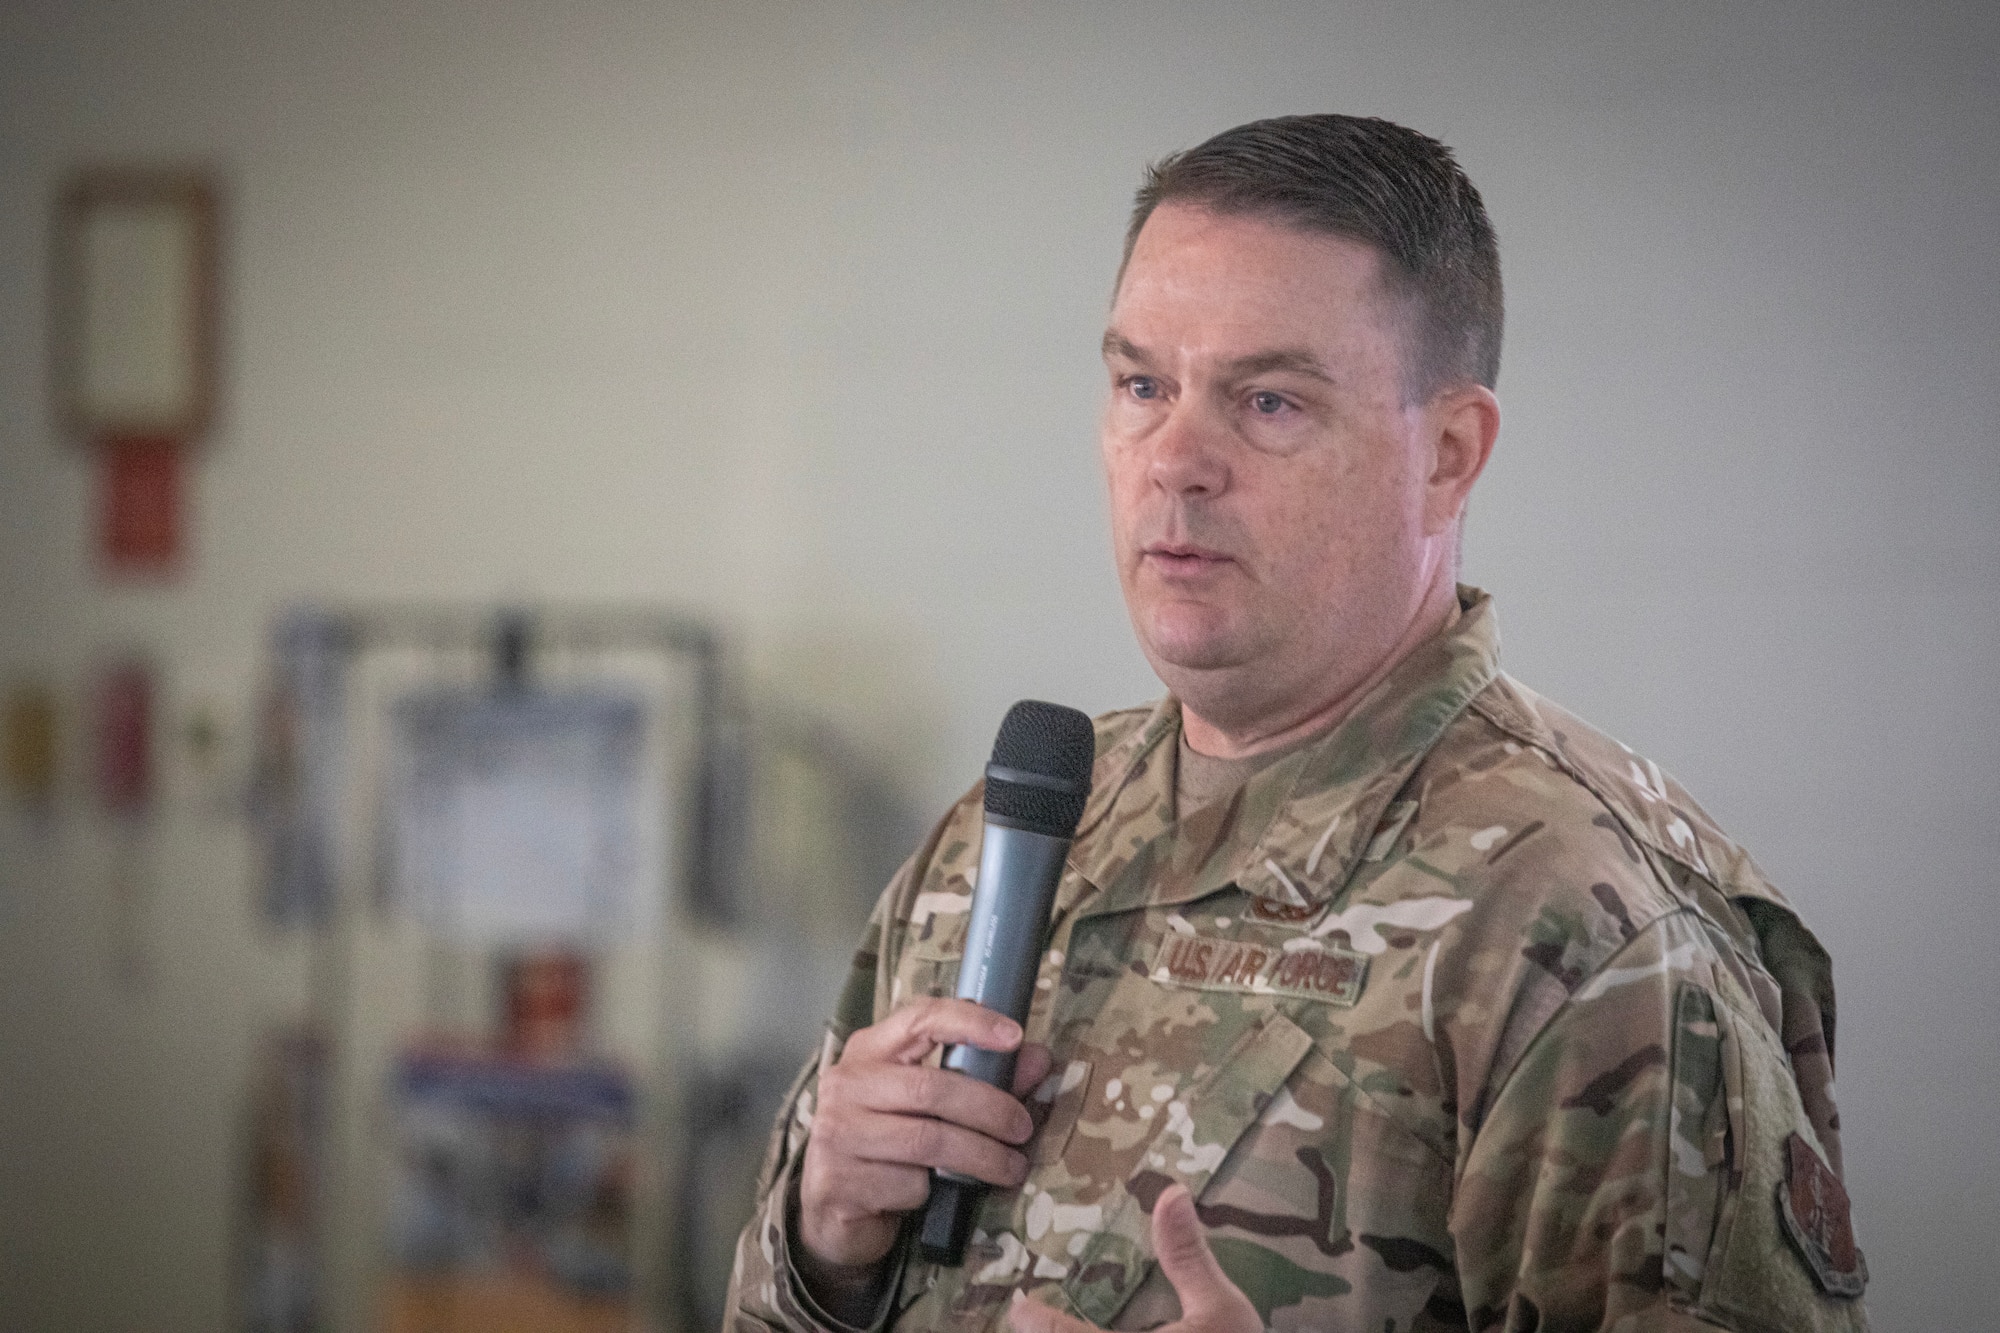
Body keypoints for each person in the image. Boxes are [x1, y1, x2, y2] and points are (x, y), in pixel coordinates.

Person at [723, 114, 1868, 1333]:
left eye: (1266, 401)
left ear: (1445, 453)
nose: (1173, 460)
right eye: (1140, 385)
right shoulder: (999, 840)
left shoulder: (1589, 930)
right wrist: (818, 1247)